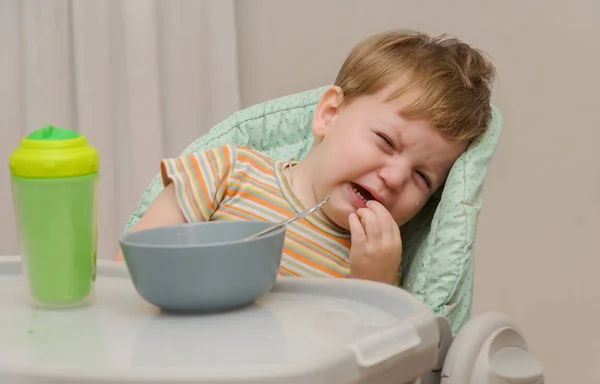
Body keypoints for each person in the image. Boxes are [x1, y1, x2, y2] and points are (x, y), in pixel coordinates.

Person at [114, 30, 496, 286]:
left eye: (422, 178)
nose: (395, 178)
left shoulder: (379, 260)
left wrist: (373, 285)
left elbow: (374, 377)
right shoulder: (227, 172)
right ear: (328, 114)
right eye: (385, 141)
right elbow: (127, 278)